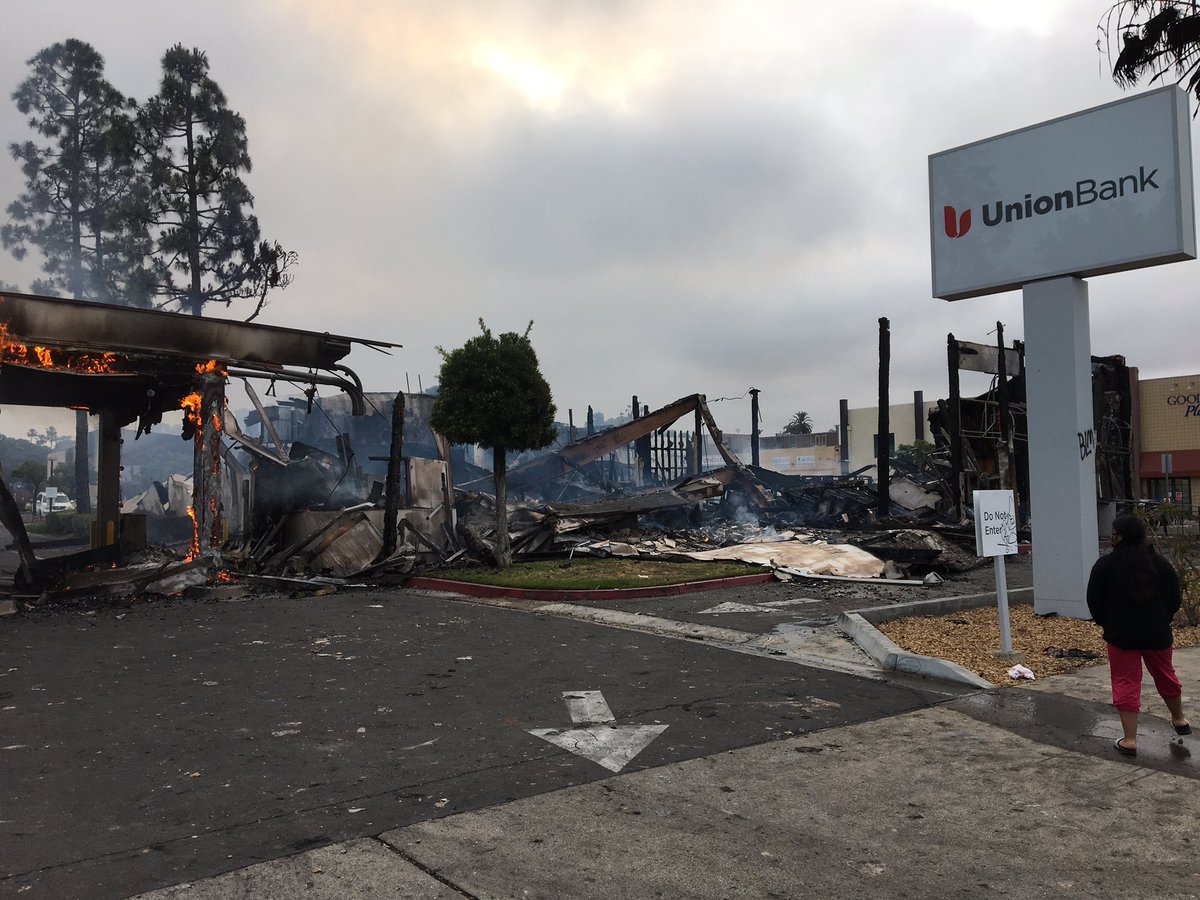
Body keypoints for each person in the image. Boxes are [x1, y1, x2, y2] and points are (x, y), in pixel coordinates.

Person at [1087, 513, 1189, 757]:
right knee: (1166, 675)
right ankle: (1179, 719)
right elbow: (1174, 598)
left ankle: (1130, 740)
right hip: (1157, 633)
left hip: (1121, 636)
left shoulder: (1105, 565)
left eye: (1114, 532)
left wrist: (1108, 623)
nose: (1111, 535)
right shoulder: (1161, 564)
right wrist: (1163, 619)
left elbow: (1094, 601)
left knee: (1126, 682)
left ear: (1121, 536)